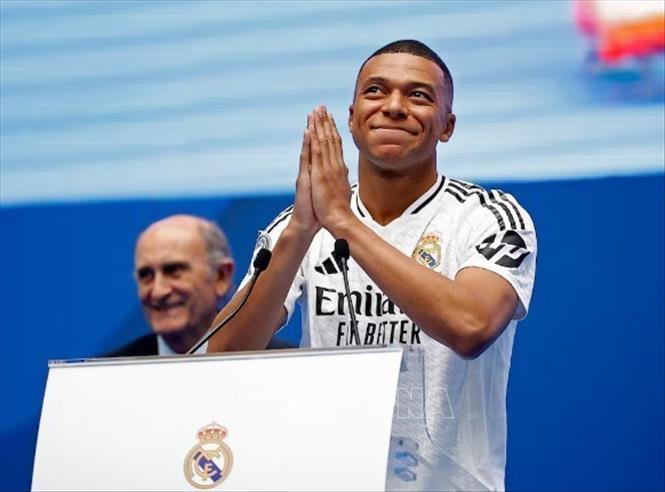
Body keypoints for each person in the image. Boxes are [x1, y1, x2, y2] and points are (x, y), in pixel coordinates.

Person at [208, 40, 537, 491]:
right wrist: (301, 231)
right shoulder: (299, 225)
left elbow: (470, 327)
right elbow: (223, 358)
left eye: (418, 95)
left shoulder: (488, 216)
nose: (394, 107)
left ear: (447, 126)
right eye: (376, 91)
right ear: (352, 118)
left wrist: (342, 222)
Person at [108, 214, 290, 357]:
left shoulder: (282, 366)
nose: (158, 292)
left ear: (221, 276)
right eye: (146, 275)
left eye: (174, 270)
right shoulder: (109, 374)